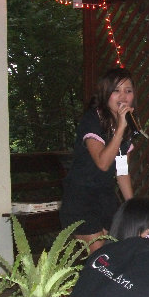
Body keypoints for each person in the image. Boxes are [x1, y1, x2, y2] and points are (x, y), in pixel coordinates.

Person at [59, 67, 137, 253]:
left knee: (119, 251)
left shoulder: (126, 125)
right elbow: (103, 163)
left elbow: (122, 170)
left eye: (128, 91)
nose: (123, 96)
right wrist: (120, 128)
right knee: (101, 258)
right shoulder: (92, 119)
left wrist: (133, 207)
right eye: (116, 90)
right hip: (81, 197)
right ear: (105, 94)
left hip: (105, 198)